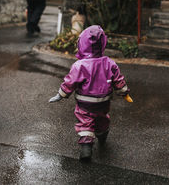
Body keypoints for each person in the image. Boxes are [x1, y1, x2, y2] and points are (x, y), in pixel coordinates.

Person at [49, 25, 130, 160]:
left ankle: (86, 147)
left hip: (85, 102)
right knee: (102, 117)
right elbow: (118, 79)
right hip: (103, 101)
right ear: (103, 43)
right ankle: (102, 134)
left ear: (82, 43)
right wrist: (124, 92)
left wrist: (61, 94)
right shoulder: (109, 63)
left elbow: (70, 82)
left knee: (85, 120)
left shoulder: (79, 65)